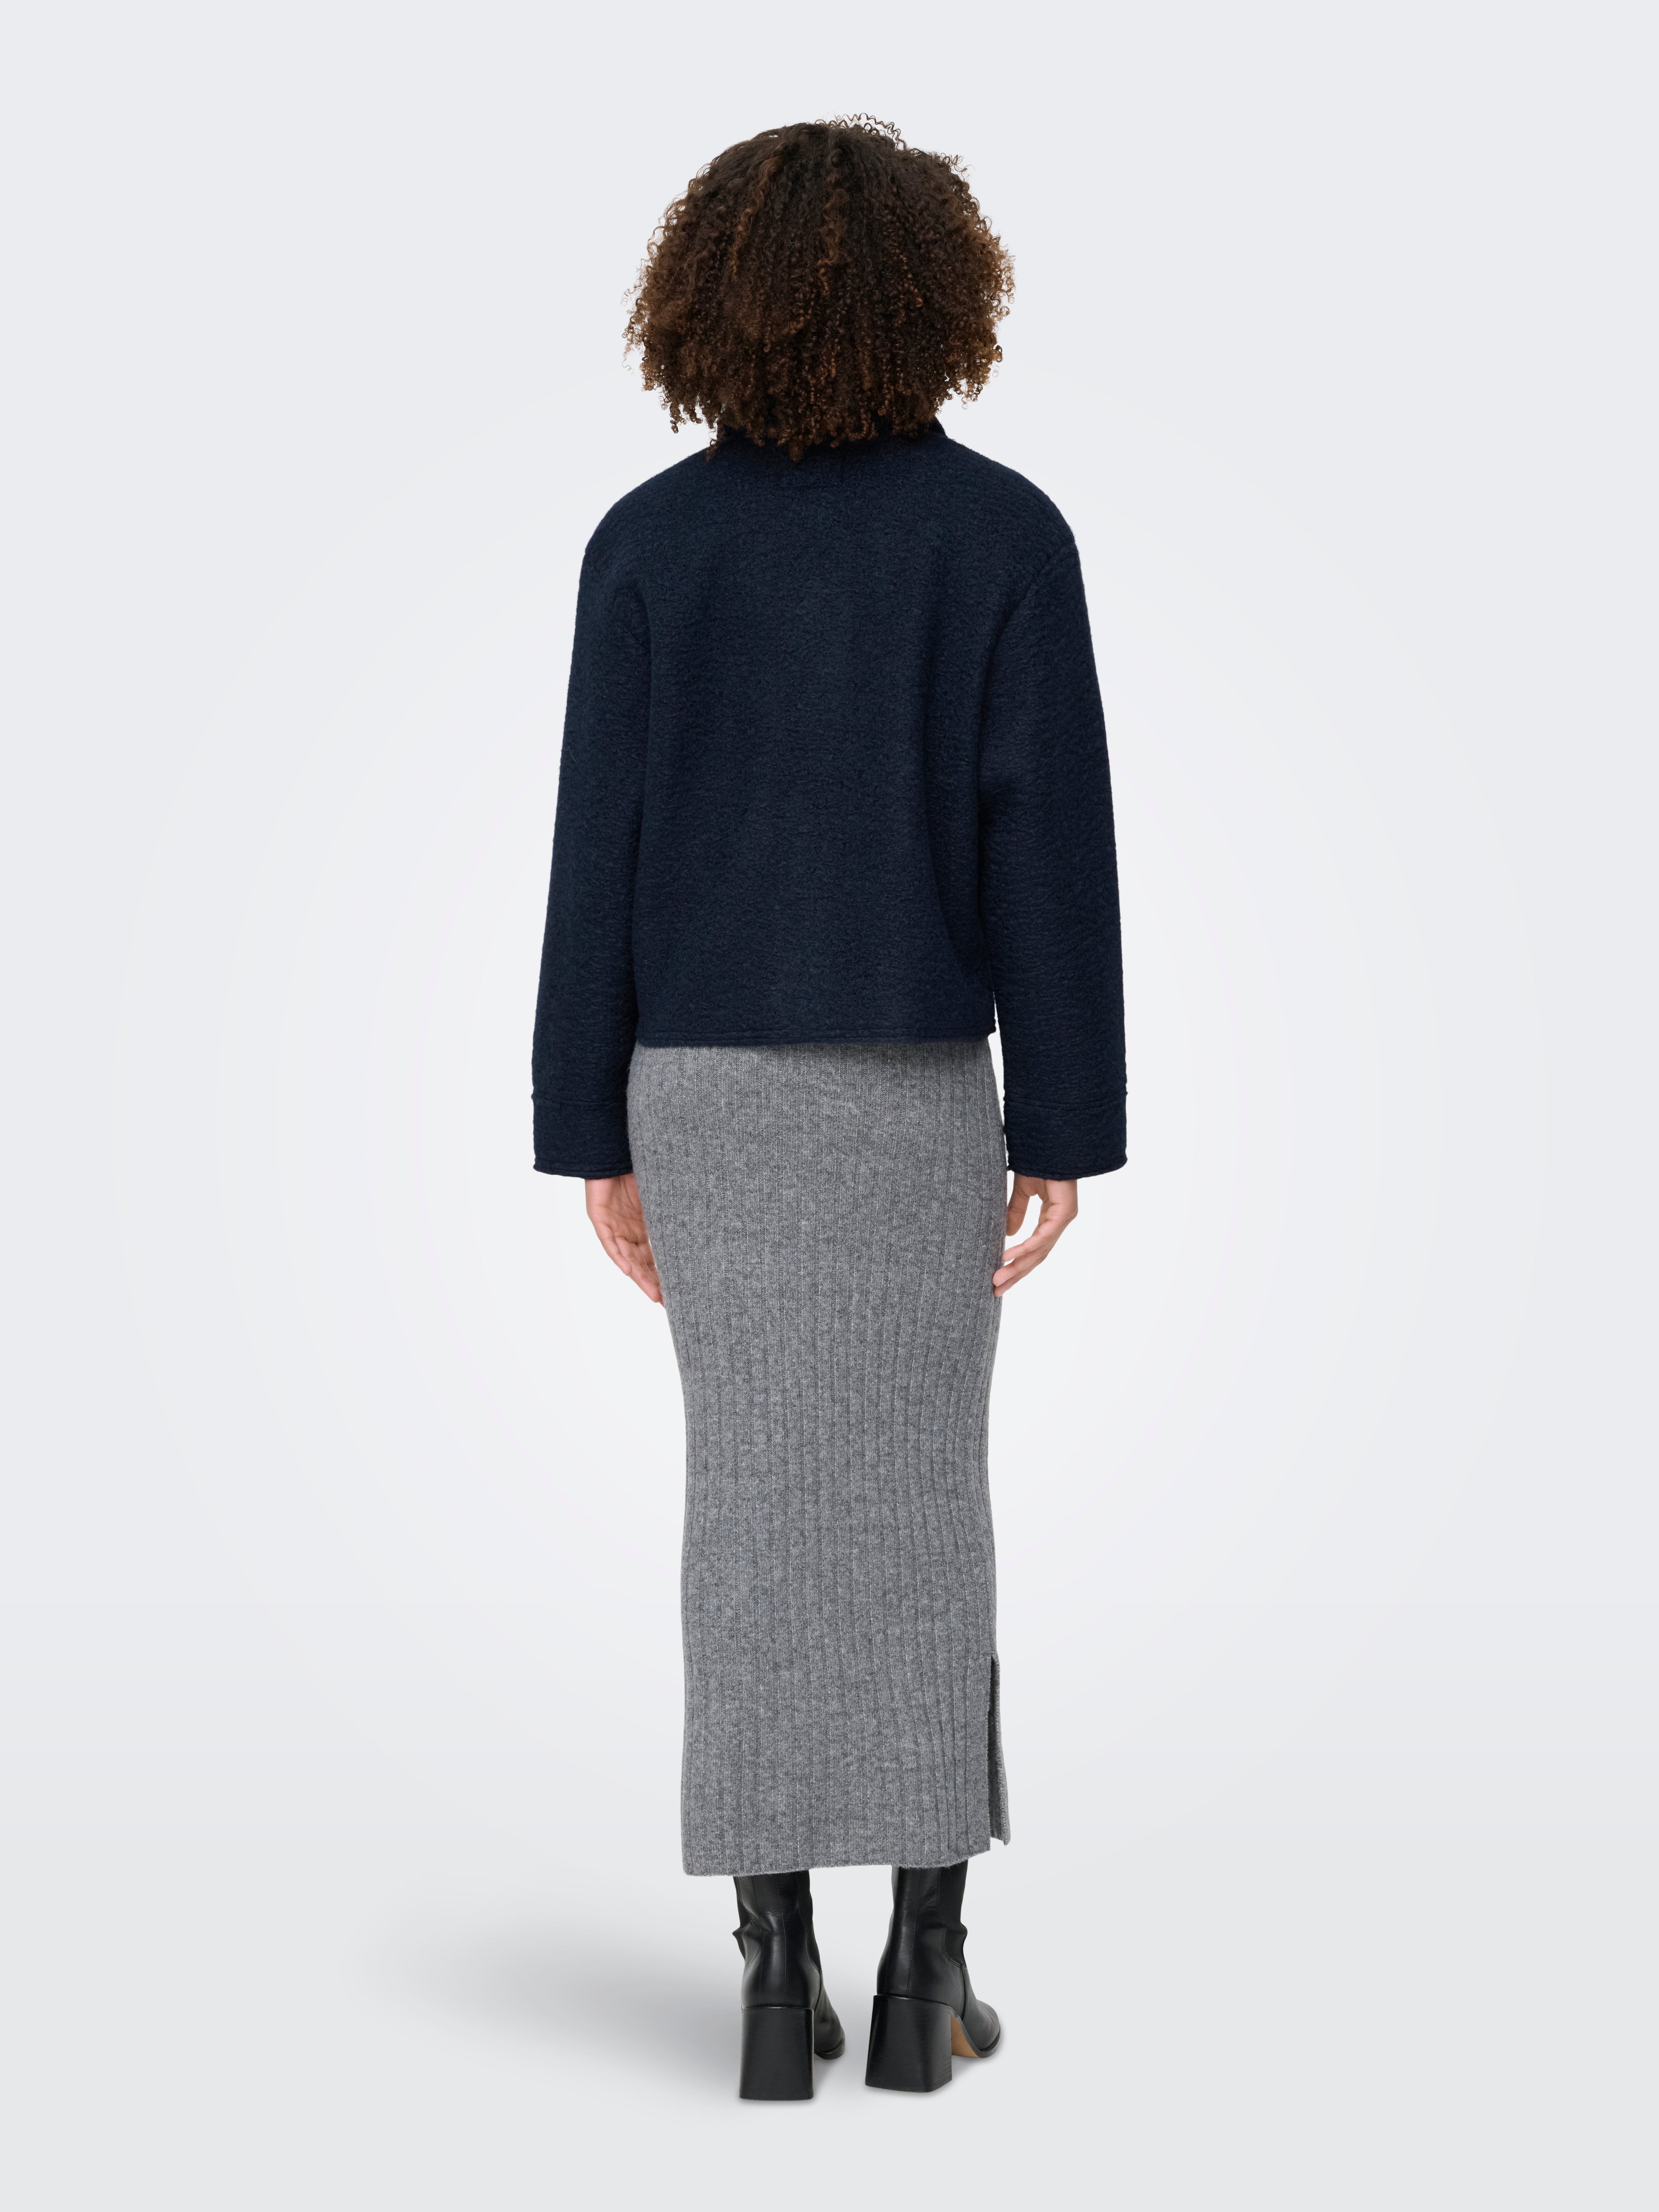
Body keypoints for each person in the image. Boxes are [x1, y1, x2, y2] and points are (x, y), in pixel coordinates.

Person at [531, 116, 1125, 2099]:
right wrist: (1064, 1118)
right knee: (923, 1507)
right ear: (939, 297)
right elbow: (1047, 845)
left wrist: (591, 1129)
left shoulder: (647, 543)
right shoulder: (1002, 536)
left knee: (752, 1510)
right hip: (912, 1093)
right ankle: (923, 1971)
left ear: (705, 299)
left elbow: (595, 857)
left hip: (698, 1091)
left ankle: (772, 1969)